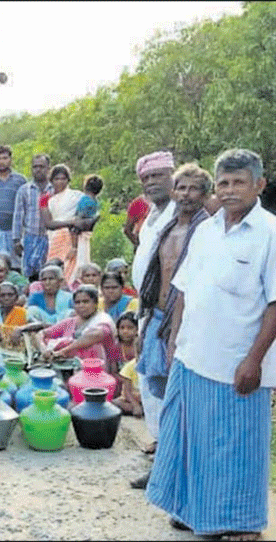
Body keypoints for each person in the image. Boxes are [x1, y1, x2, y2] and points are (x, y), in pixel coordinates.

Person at [147, 149, 276, 540]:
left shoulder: (270, 233)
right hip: (191, 356)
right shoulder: (206, 229)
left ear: (259, 185)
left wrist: (254, 361)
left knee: (236, 448)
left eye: (239, 182)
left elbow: (275, 302)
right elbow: (183, 289)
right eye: (224, 183)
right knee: (189, 440)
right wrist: (173, 341)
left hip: (236, 362)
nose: (230, 190)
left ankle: (240, 523)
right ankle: (191, 510)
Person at [133, 162, 212, 489]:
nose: (187, 195)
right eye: (182, 188)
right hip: (157, 318)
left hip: (187, 323)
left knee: (184, 398)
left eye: (195, 189)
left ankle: (183, 471)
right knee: (161, 393)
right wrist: (145, 321)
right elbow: (156, 277)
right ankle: (166, 466)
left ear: (206, 194)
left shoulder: (207, 230)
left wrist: (178, 335)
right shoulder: (165, 226)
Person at [28, 285, 118, 365]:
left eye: (86, 302)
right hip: (68, 368)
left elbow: (96, 335)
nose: (81, 305)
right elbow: (41, 333)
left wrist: (63, 351)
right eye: (77, 302)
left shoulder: (103, 319)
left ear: (95, 303)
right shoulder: (70, 322)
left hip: (97, 371)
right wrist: (44, 349)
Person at [40, 164, 96, 287]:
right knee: (56, 268)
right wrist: (71, 222)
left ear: (68, 180)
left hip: (75, 238)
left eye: (63, 179)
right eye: (57, 179)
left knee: (76, 268)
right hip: (56, 239)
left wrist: (80, 225)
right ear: (51, 181)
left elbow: (89, 215)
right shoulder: (46, 199)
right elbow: (49, 224)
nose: (60, 182)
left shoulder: (77, 197)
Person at [130, 150, 176, 294]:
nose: (150, 182)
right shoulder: (151, 213)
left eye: (157, 176)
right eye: (145, 178)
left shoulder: (180, 211)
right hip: (148, 302)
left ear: (172, 176)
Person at [12, 154, 53, 281]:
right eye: (35, 167)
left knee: (49, 272)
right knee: (30, 275)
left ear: (48, 168)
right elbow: (18, 216)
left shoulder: (54, 189)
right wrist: (16, 240)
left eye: (41, 166)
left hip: (51, 238)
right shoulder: (24, 190)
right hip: (31, 237)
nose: (38, 169)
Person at [112, 312, 143, 417]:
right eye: (122, 328)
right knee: (116, 402)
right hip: (125, 386)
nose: (125, 331)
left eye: (130, 328)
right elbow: (113, 372)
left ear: (137, 330)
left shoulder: (140, 346)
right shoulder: (115, 347)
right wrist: (126, 379)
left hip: (139, 385)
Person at [68, 174, 103, 265]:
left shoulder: (85, 199)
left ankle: (74, 247)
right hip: (88, 225)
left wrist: (76, 219)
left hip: (82, 222)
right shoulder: (95, 201)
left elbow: (81, 213)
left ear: (86, 186)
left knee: (73, 231)